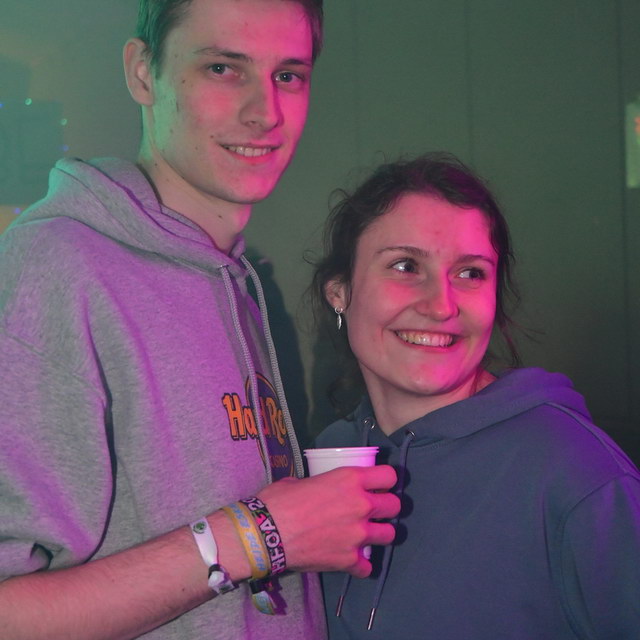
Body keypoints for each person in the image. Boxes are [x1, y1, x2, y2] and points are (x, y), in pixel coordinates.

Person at [0, 1, 401, 638]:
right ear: (142, 72)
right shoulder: (54, 266)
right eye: (223, 68)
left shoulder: (240, 283)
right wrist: (260, 535)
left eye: (288, 75)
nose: (265, 112)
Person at [311, 152, 640, 639]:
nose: (441, 305)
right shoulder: (330, 456)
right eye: (405, 265)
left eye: (470, 273)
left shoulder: (574, 470)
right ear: (339, 291)